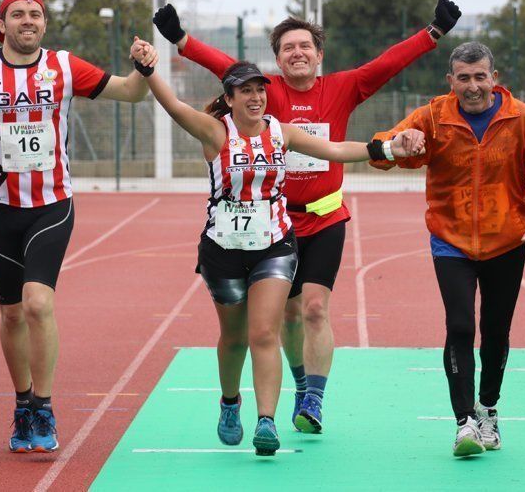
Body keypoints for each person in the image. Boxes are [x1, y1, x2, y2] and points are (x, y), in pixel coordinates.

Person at [152, 0, 461, 433]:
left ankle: (313, 398)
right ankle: (297, 380)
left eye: (305, 46)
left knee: (316, 309)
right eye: (287, 48)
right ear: (277, 59)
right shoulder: (263, 92)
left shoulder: (344, 86)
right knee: (289, 316)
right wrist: (181, 39)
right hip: (275, 225)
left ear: (319, 55)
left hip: (326, 218)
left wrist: (433, 33)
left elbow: (388, 63)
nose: (297, 53)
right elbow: (224, 66)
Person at [131, 45, 418, 455]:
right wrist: (148, 69)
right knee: (234, 338)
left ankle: (266, 421)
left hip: (274, 246)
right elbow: (173, 105)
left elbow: (336, 149)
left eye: (260, 90)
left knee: (264, 331)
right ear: (229, 99)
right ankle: (230, 402)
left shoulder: (282, 132)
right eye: (244, 91)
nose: (255, 97)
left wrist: (388, 148)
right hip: (223, 248)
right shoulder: (215, 132)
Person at [0, 0, 157, 454]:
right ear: (1, 25)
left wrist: (143, 69)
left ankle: (43, 406)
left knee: (37, 304)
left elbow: (130, 94)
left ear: (44, 24)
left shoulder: (64, 66)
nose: (28, 21)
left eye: (36, 15)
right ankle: (23, 403)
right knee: (10, 313)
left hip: (51, 205)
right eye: (18, 14)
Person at [369, 41, 525, 457]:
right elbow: (384, 150)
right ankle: (464, 424)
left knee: (496, 330)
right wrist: (398, 141)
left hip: (507, 241)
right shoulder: (433, 117)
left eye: (481, 77)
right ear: (451, 81)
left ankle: (489, 410)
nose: (473, 86)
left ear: (494, 79)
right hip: (451, 241)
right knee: (460, 326)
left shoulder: (521, 120)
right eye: (464, 78)